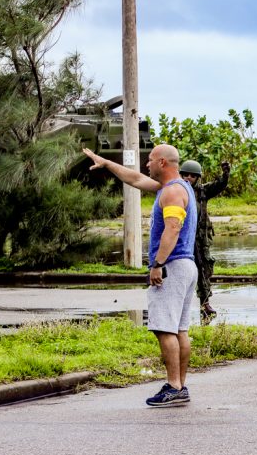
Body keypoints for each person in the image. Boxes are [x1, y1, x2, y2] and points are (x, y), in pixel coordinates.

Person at [83, 144, 197, 407]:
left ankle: (174, 386)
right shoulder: (174, 187)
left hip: (172, 266)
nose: (147, 164)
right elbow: (134, 179)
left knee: (164, 328)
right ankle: (180, 385)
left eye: (151, 160)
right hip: (184, 266)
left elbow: (173, 229)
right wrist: (106, 163)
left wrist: (157, 264)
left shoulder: (172, 193)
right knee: (179, 328)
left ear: (164, 164)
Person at [179, 159, 231, 322]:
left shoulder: (202, 191)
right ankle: (179, 304)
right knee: (179, 271)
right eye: (185, 175)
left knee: (204, 270)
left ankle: (205, 303)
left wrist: (226, 173)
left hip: (200, 238)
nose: (188, 178)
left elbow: (219, 185)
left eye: (192, 176)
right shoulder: (177, 191)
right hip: (182, 239)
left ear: (198, 178)